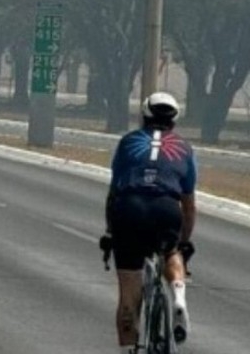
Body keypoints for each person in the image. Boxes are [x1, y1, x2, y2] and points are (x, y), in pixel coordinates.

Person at [101, 92, 197, 353]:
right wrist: (184, 241)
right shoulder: (185, 148)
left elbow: (114, 192)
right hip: (166, 208)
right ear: (174, 121)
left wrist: (111, 231)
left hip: (129, 209)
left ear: (143, 117)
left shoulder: (128, 142)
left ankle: (128, 349)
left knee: (129, 296)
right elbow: (188, 205)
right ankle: (178, 293)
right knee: (172, 251)